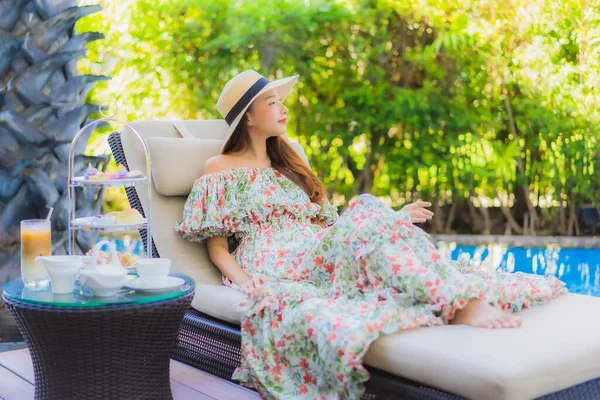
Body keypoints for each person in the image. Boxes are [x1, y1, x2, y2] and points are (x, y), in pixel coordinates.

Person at [175, 70, 566, 399]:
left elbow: (329, 230)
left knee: (369, 210)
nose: (285, 108)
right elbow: (217, 249)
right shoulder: (219, 167)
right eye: (274, 102)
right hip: (271, 256)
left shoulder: (288, 164)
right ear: (248, 116)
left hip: (312, 246)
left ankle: (452, 293)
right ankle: (458, 304)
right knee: (365, 205)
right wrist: (247, 283)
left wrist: (392, 219)